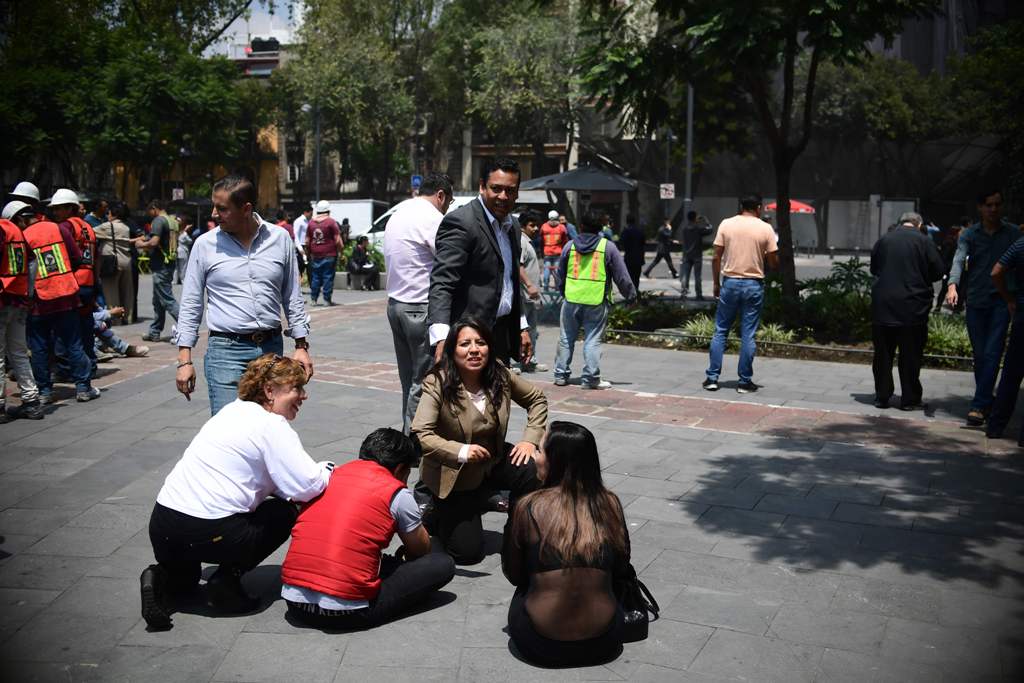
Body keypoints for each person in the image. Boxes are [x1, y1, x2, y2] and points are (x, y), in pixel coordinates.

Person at [140, 354, 332, 630]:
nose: (303, 396)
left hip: (163, 524)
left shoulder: (231, 411)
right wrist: (327, 469)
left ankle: (158, 576)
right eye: (296, 388)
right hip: (209, 532)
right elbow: (307, 486)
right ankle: (226, 582)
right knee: (283, 511)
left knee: (184, 585)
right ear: (269, 391)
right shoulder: (272, 425)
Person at [281, 428, 456, 629]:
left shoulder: (329, 475)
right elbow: (420, 550)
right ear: (400, 469)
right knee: (442, 563)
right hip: (347, 612)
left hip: (294, 603)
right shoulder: (396, 492)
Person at [411, 318, 547, 565]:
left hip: (492, 460)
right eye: (465, 344)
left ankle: (518, 531)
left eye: (480, 342)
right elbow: (421, 433)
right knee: (467, 554)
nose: (474, 349)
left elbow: (537, 399)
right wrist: (461, 451)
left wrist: (529, 440)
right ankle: (437, 513)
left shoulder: (499, 373)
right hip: (456, 475)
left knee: (533, 470)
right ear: (453, 350)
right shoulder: (438, 382)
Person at [173, 174, 312, 416]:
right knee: (230, 433)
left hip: (270, 351)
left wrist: (301, 346)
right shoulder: (205, 245)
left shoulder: (279, 239)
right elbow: (191, 304)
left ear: (246, 208)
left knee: (270, 430)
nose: (214, 214)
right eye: (214, 206)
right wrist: (185, 360)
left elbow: (292, 295)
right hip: (226, 352)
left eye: (222, 208)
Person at [502, 421, 630, 667]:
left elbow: (515, 575)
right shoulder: (610, 503)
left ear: (555, 462)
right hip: (605, 642)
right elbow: (622, 568)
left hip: (540, 645)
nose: (535, 458)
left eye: (539, 451)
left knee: (528, 586)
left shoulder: (528, 506)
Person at [428, 157, 533, 366]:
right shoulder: (461, 222)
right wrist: (441, 337)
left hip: (501, 336)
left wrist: (521, 326)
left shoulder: (512, 225)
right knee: (468, 399)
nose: (503, 196)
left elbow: (510, 280)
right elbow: (442, 282)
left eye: (510, 190)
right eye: (496, 188)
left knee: (499, 397)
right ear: (482, 187)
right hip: (468, 340)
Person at [384, 172, 454, 433]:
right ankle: (416, 443)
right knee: (423, 381)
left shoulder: (400, 212)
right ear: (440, 195)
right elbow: (449, 259)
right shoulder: (432, 218)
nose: (447, 208)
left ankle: (409, 435)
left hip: (396, 305)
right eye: (448, 202)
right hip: (419, 307)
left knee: (409, 381)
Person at [946, 189, 1018, 426]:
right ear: (980, 208)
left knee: (992, 352)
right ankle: (986, 400)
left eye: (997, 204)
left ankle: (978, 406)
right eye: (989, 205)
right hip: (976, 300)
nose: (994, 209)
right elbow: (958, 258)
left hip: (1001, 299)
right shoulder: (969, 234)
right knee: (980, 355)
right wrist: (952, 285)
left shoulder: (1012, 233)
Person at [23, 195, 99, 403]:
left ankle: (45, 392)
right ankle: (83, 388)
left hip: (39, 300)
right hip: (66, 296)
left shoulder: (24, 234)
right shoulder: (60, 229)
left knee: (39, 345)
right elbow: (76, 258)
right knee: (73, 341)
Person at [553, 209, 637, 390]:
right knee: (592, 340)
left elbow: (560, 274)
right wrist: (631, 295)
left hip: (571, 299)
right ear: (600, 228)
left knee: (566, 338)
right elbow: (622, 275)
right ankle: (591, 378)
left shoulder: (569, 246)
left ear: (581, 226)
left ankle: (560, 375)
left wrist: (563, 292)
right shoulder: (607, 247)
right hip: (596, 300)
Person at [704, 193, 779, 393]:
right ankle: (744, 382)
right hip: (754, 284)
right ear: (759, 208)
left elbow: (715, 257)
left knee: (720, 330)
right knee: (748, 334)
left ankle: (712, 378)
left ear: (741, 207)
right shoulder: (766, 228)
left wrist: (716, 284)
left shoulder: (726, 224)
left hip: (729, 282)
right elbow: (773, 261)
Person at [869, 212, 944, 410]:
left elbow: (874, 268)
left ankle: (882, 396)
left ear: (901, 223)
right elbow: (938, 271)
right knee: (910, 355)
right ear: (919, 224)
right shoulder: (924, 241)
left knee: (883, 355)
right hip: (912, 307)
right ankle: (909, 399)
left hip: (883, 307)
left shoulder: (884, 239)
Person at [0, 201, 43, 421]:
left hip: (3, 299)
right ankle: (32, 401)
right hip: (19, 301)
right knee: (18, 351)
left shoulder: (4, 230)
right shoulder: (21, 237)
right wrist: (29, 295)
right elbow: (33, 266)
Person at [985, 236, 1024, 443]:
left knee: (1011, 374)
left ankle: (995, 426)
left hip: (1022, 316)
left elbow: (996, 272)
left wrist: (1008, 297)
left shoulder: (1020, 244)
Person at [95, 201, 143, 324]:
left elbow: (90, 231)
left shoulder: (107, 226)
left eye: (108, 213)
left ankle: (115, 319)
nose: (107, 215)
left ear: (113, 214)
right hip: (126, 261)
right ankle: (127, 317)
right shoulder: (125, 227)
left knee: (111, 292)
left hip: (111, 262)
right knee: (127, 292)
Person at [139, 200, 179, 342]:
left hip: (161, 264)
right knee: (158, 300)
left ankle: (186, 327)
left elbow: (154, 242)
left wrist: (141, 244)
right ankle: (155, 331)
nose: (148, 214)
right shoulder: (173, 221)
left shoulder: (158, 220)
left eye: (149, 211)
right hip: (169, 262)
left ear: (154, 208)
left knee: (167, 299)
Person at [517, 211, 548, 374]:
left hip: (530, 296)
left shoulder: (528, 242)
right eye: (532, 225)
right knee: (525, 330)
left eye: (537, 225)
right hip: (524, 296)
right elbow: (519, 266)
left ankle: (529, 361)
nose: (535, 228)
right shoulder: (522, 242)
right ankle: (520, 362)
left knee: (531, 331)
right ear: (523, 226)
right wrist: (529, 285)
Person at [306, 200, 343, 306]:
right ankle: (327, 299)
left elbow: (307, 241)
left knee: (316, 277)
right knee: (328, 277)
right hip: (329, 254)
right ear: (328, 210)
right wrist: (341, 251)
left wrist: (308, 253)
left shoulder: (311, 223)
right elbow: (337, 240)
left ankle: (314, 299)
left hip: (315, 255)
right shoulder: (331, 222)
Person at [678, 210, 712, 300]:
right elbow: (710, 230)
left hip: (686, 255)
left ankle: (684, 293)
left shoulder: (684, 229)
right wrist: (705, 220)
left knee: (685, 275)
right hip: (697, 255)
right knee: (697, 276)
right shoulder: (698, 229)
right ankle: (699, 294)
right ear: (694, 218)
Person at [935, 218, 967, 312]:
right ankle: (939, 307)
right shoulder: (949, 244)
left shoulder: (957, 243)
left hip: (953, 270)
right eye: (961, 232)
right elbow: (945, 258)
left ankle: (954, 308)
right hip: (949, 270)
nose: (962, 234)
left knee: (954, 290)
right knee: (945, 289)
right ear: (956, 233)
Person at [540, 210, 569, 290]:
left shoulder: (544, 226)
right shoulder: (561, 227)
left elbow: (541, 240)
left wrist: (541, 251)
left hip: (547, 253)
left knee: (547, 270)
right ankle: (557, 287)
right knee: (557, 271)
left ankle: (545, 287)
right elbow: (565, 240)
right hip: (558, 253)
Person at [618, 213, 646, 292]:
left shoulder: (626, 231)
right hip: (639, 258)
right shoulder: (640, 231)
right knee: (636, 278)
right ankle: (635, 293)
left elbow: (621, 243)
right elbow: (643, 243)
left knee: (629, 277)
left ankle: (630, 294)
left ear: (627, 221)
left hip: (629, 258)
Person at [293, 204, 312, 279]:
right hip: (301, 247)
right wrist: (300, 249)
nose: (311, 215)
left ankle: (313, 289)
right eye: (310, 213)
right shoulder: (299, 221)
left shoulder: (309, 221)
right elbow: (296, 236)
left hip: (307, 247)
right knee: (300, 268)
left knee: (310, 268)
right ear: (306, 212)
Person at [175, 215, 195, 285]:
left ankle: (174, 280)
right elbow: (190, 241)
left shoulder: (176, 233)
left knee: (176, 267)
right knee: (183, 267)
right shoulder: (184, 234)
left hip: (176, 251)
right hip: (183, 251)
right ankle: (183, 280)